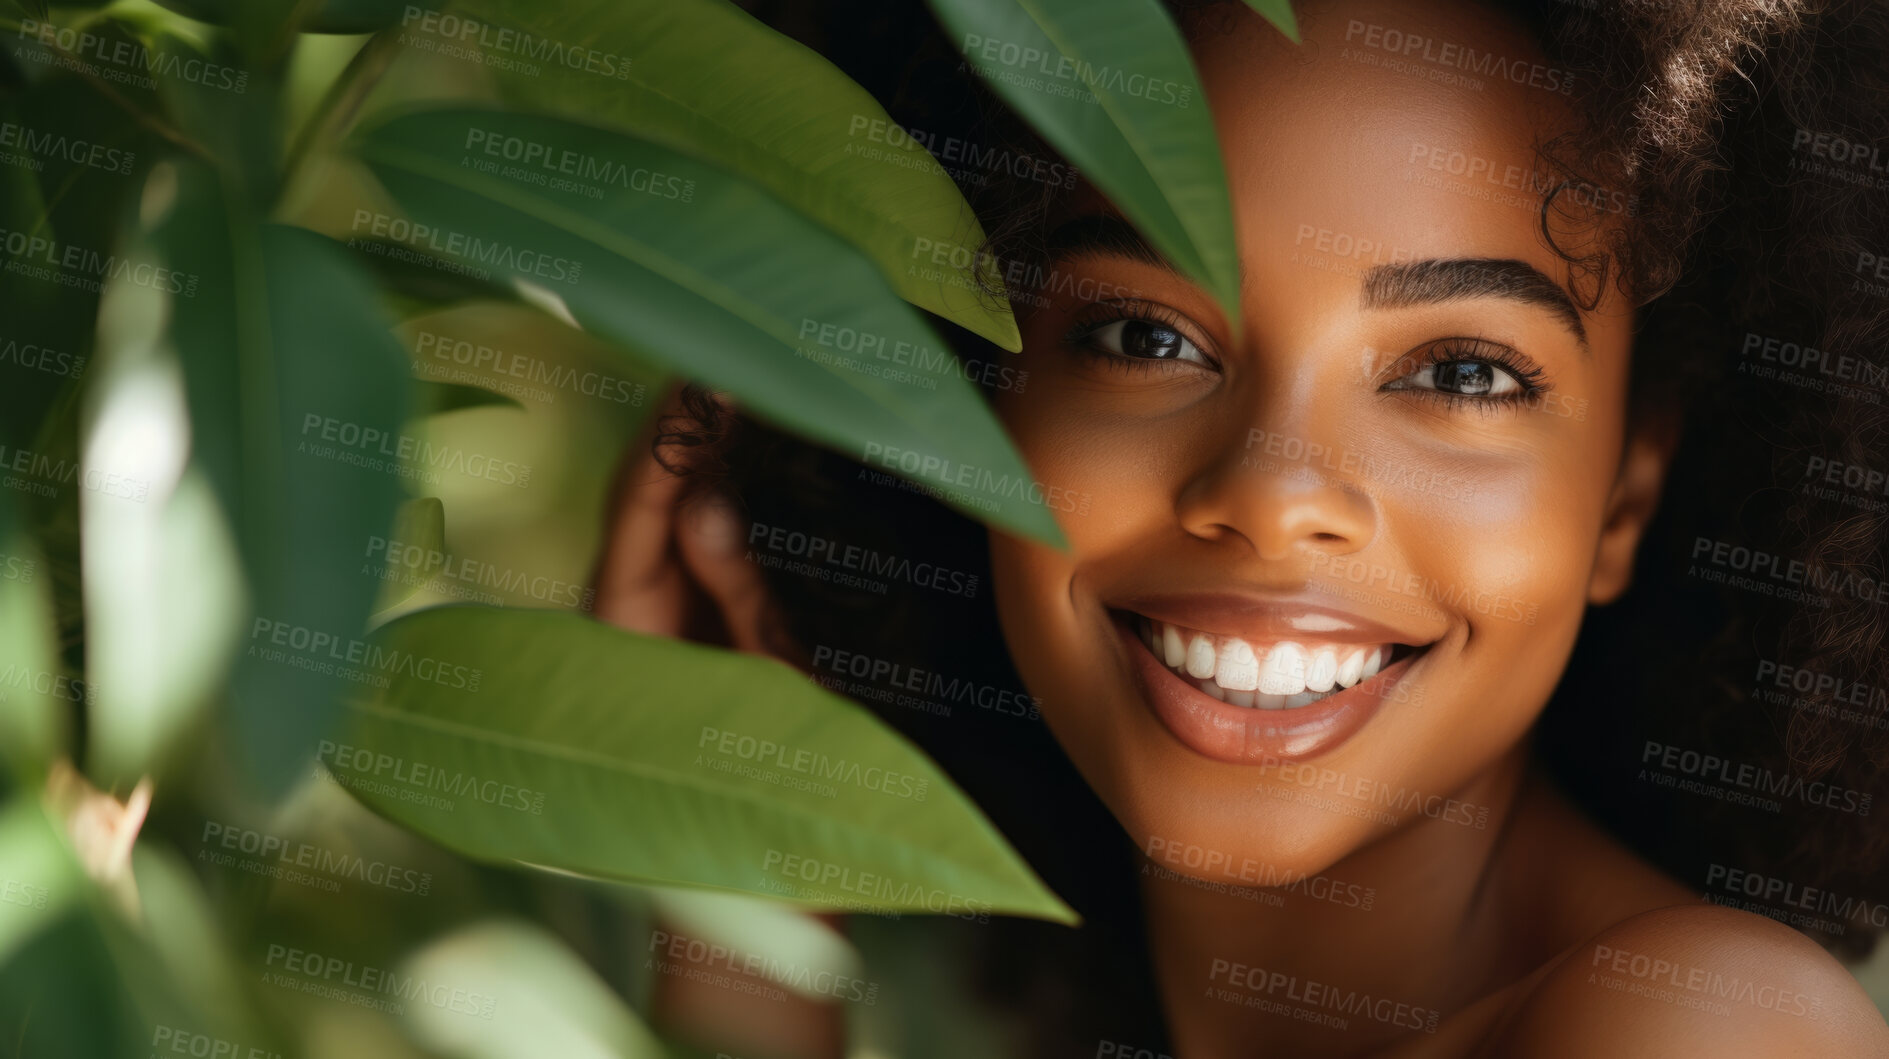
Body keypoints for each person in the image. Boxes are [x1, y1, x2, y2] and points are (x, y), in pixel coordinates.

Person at [594, 0, 1889, 1053]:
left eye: (1459, 373)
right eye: (1142, 337)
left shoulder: (1702, 1026)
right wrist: (744, 880)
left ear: (1620, 498)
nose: (1274, 497)